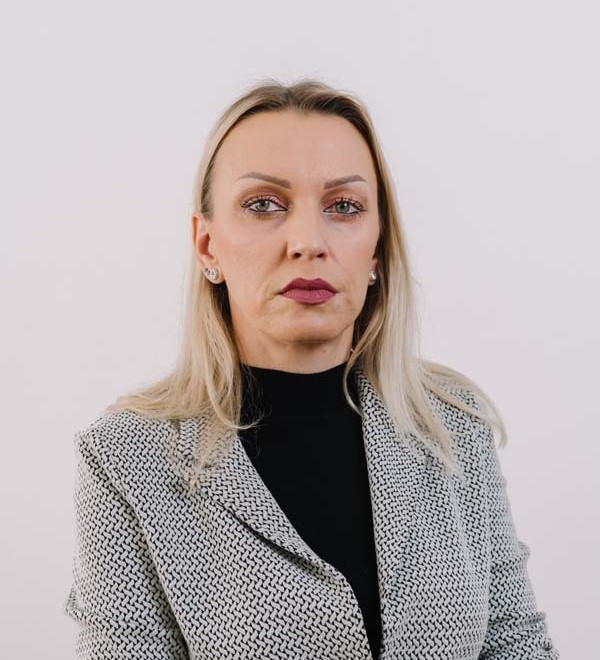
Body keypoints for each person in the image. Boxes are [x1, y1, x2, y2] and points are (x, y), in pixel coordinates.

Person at [63, 78, 560, 659]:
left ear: (377, 247)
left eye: (344, 206)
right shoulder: (126, 457)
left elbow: (517, 644)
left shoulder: (451, 424)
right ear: (207, 246)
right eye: (263, 205)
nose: (308, 241)